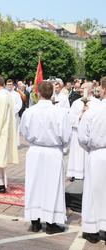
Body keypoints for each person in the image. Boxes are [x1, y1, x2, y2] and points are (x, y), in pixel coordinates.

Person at [20, 80, 71, 234]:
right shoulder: (60, 112)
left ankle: (35, 222)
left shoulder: (29, 112)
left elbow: (23, 132)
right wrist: (63, 148)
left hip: (35, 151)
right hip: (53, 152)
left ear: (38, 93)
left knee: (34, 185)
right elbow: (66, 136)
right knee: (52, 187)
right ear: (52, 93)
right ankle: (50, 222)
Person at [78, 76, 106, 244]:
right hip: (98, 151)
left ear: (103, 89)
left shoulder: (92, 111)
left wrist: (92, 149)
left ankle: (91, 230)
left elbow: (82, 137)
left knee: (92, 192)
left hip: (97, 154)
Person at [66, 82, 101, 181]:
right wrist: (80, 116)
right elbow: (70, 118)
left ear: (90, 90)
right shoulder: (76, 103)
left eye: (83, 88)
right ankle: (76, 174)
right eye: (81, 88)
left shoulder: (97, 103)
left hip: (90, 134)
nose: (81, 90)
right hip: (77, 133)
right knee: (77, 155)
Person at [5, 79, 22, 146]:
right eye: (8, 84)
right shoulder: (4, 94)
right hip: (5, 116)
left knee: (14, 130)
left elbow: (19, 104)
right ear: (6, 85)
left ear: (13, 85)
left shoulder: (16, 94)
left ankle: (14, 145)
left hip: (14, 116)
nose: (9, 86)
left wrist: (12, 110)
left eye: (10, 84)